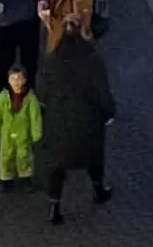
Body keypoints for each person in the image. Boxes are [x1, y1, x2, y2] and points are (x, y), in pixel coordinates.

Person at [38, 23, 114, 223]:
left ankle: (54, 207)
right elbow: (102, 92)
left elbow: (43, 90)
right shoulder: (92, 61)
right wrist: (109, 113)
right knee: (93, 157)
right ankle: (99, 189)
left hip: (59, 120)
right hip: (87, 120)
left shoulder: (52, 60)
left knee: (56, 164)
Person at [0, 62, 43, 192]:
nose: (16, 82)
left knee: (24, 155)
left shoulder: (30, 98)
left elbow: (35, 116)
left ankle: (26, 178)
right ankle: (6, 180)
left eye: (19, 79)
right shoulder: (3, 97)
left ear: (24, 80)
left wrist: (36, 133)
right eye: (13, 79)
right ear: (8, 80)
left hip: (23, 132)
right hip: (6, 132)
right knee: (5, 156)